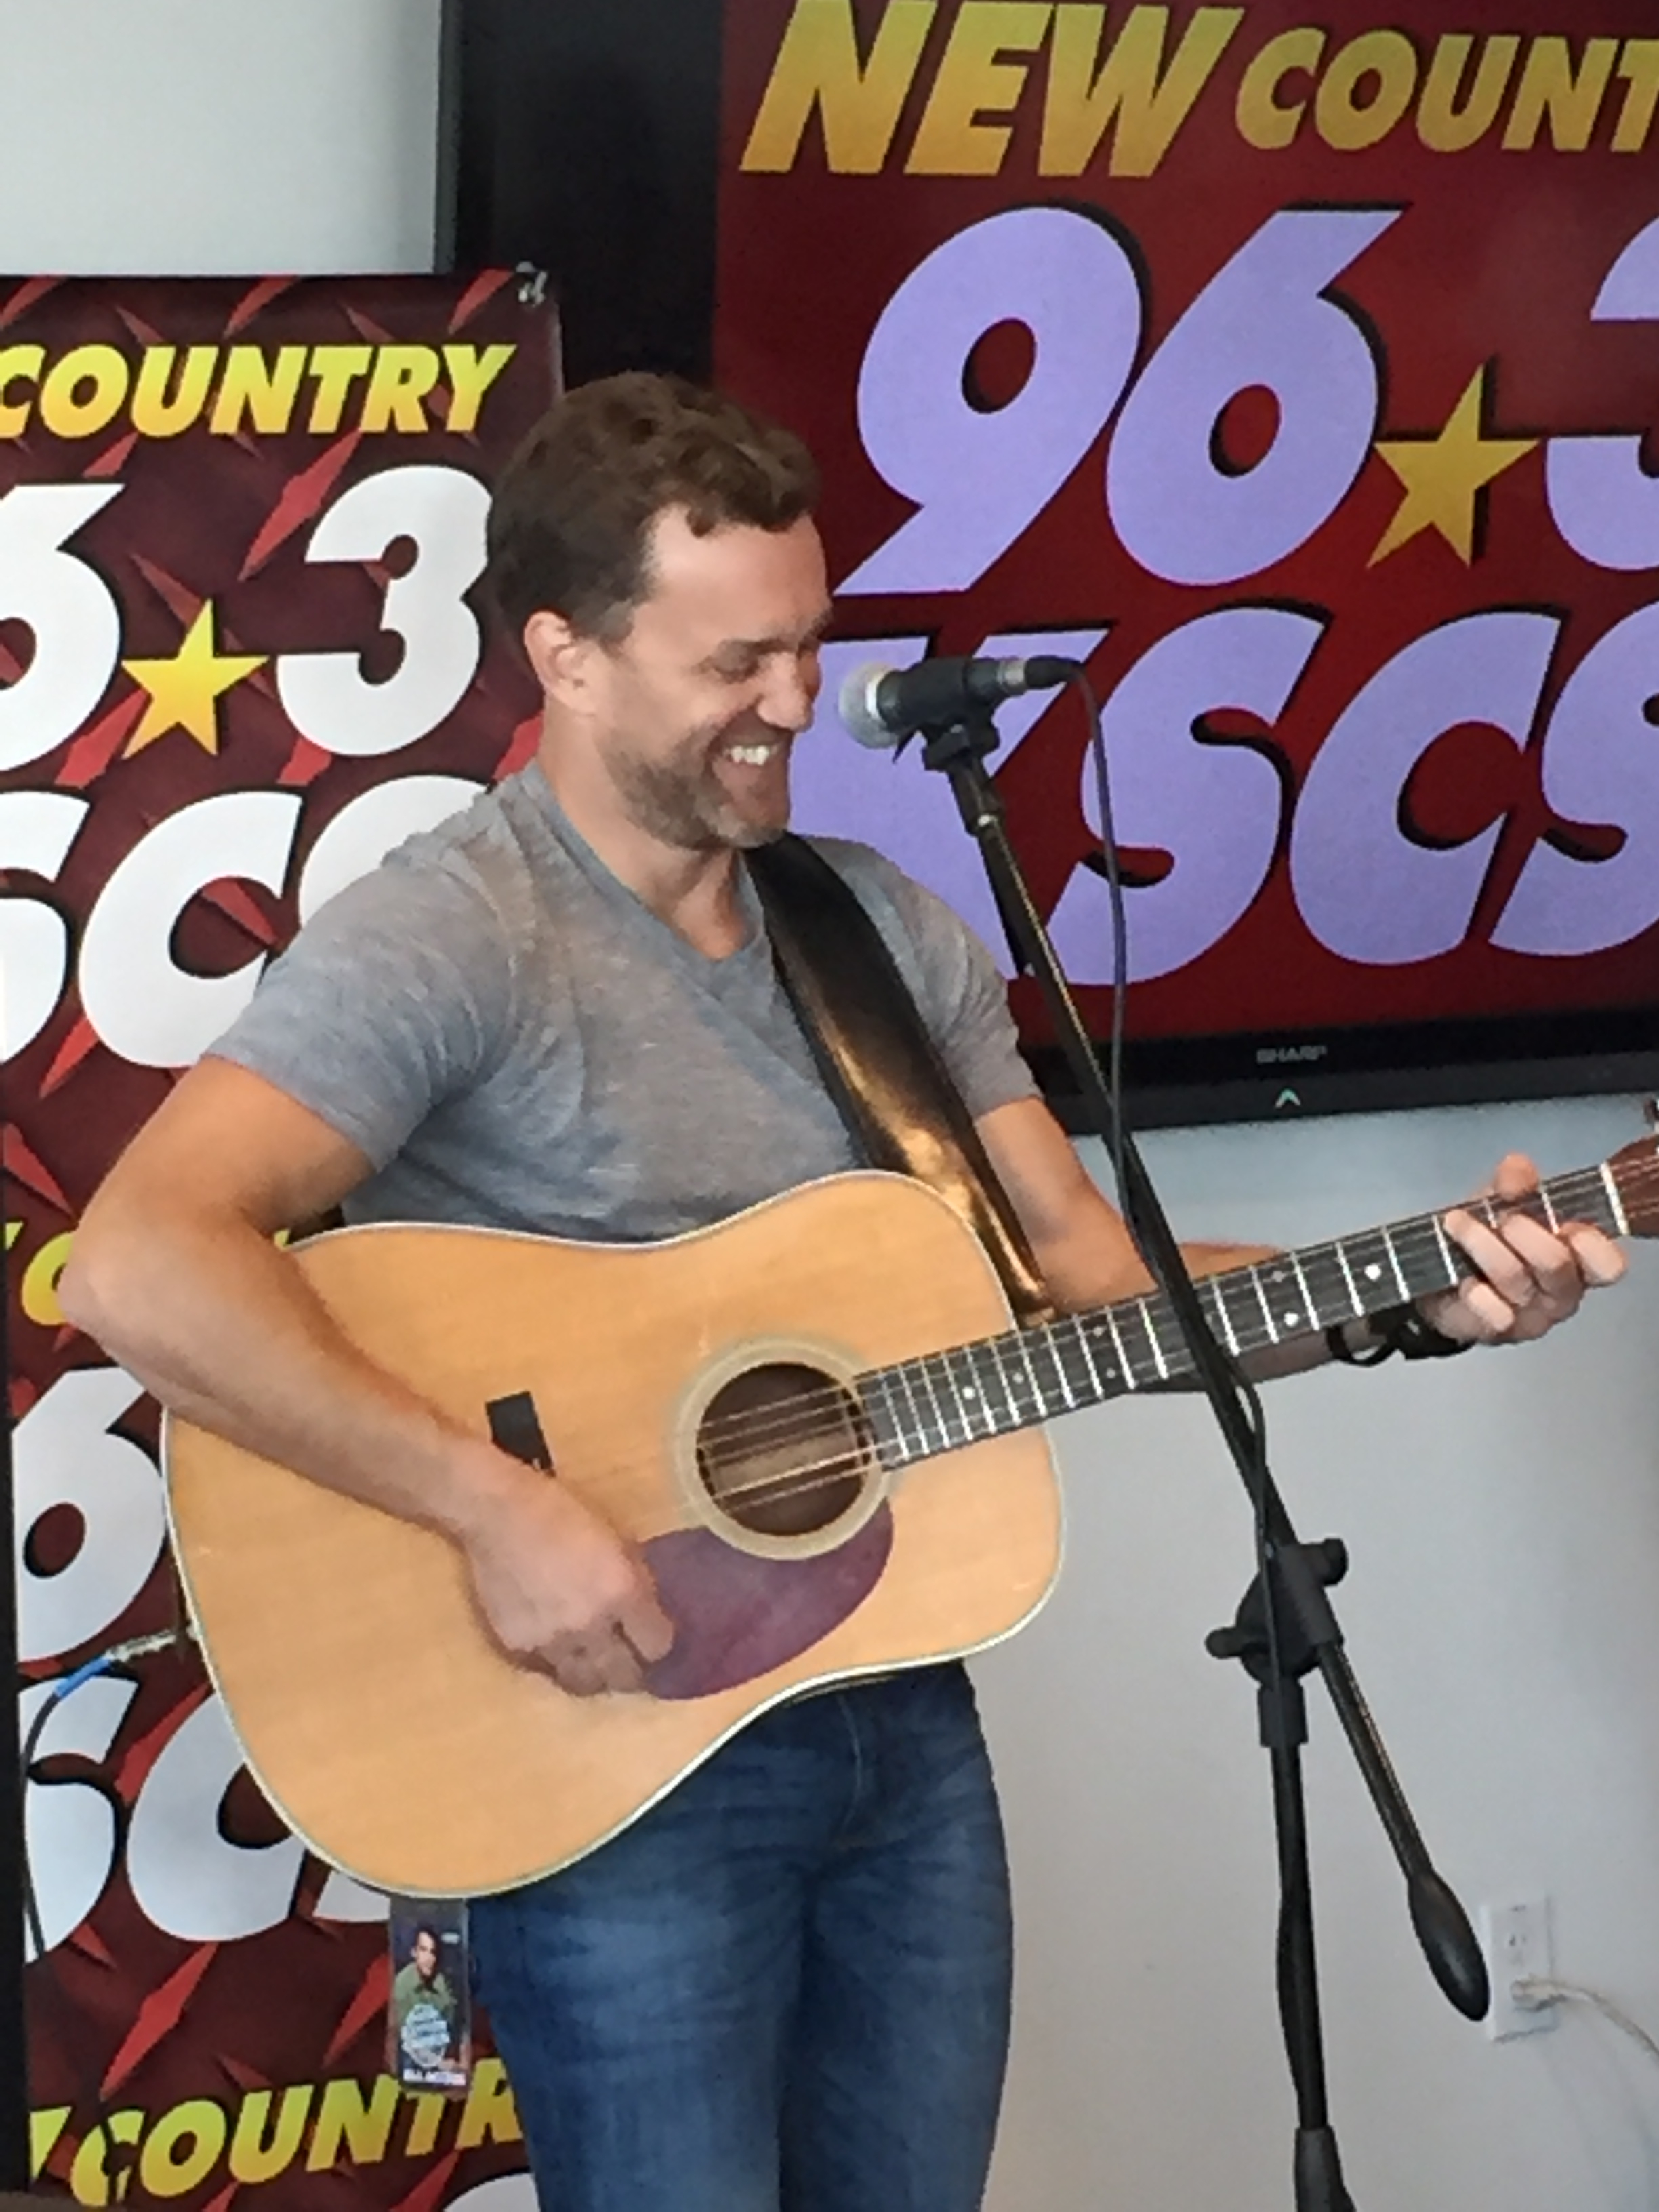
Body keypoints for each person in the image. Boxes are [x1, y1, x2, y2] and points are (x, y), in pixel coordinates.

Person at [60, 373, 1626, 2212]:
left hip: (896, 1722)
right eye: (736, 660)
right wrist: (490, 1506)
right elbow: (141, 1259)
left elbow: (1084, 1276)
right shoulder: (457, 933)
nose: (798, 701)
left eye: (809, 644)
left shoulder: (875, 929)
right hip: (609, 1760)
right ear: (566, 658)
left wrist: (1416, 1294)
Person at [392, 1923, 459, 2069]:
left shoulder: (442, 1981)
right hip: (413, 2058)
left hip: (442, 2051)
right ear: (414, 1952)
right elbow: (408, 2039)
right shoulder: (403, 1984)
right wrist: (439, 2064)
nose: (429, 1958)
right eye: (423, 1950)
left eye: (433, 1952)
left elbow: (453, 2022)